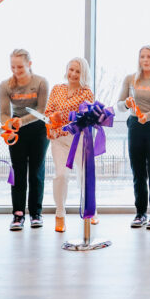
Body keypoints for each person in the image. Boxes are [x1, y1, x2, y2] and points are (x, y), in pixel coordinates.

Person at [116, 46, 150, 230]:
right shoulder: (130, 79)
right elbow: (120, 105)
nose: (145, 60)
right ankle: (140, 213)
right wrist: (127, 103)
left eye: (149, 56)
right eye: (142, 57)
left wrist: (149, 116)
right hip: (135, 125)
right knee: (138, 171)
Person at [0, 49, 49, 231]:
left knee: (36, 172)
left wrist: (22, 121)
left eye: (20, 66)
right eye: (13, 67)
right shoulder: (5, 85)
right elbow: (4, 113)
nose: (16, 70)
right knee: (18, 172)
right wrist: (8, 127)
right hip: (16, 131)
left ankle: (36, 213)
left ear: (29, 64)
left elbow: (42, 111)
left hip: (38, 129)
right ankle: (18, 214)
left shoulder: (41, 82)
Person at [44, 57, 95, 233]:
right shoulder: (57, 89)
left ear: (83, 74)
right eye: (71, 69)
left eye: (77, 71)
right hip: (59, 140)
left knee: (84, 176)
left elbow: (86, 118)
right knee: (60, 175)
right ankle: (60, 213)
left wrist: (70, 125)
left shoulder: (87, 93)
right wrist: (53, 122)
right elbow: (48, 111)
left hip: (78, 139)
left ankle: (90, 209)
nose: (73, 74)